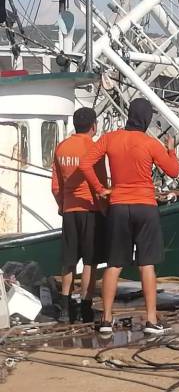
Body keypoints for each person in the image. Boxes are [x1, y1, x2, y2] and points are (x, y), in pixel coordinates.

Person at [79, 98, 179, 334]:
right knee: (147, 264)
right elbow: (174, 171)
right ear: (145, 118)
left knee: (114, 264)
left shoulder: (110, 138)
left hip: (119, 206)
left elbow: (85, 164)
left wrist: (101, 189)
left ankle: (106, 319)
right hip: (145, 205)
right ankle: (151, 319)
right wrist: (171, 149)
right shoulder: (149, 143)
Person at [51, 107, 108, 323]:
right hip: (90, 209)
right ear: (93, 125)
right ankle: (85, 305)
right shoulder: (93, 149)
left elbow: (56, 185)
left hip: (69, 210)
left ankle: (65, 307)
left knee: (68, 260)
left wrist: (62, 205)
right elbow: (100, 182)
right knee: (89, 261)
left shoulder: (61, 147)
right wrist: (105, 207)